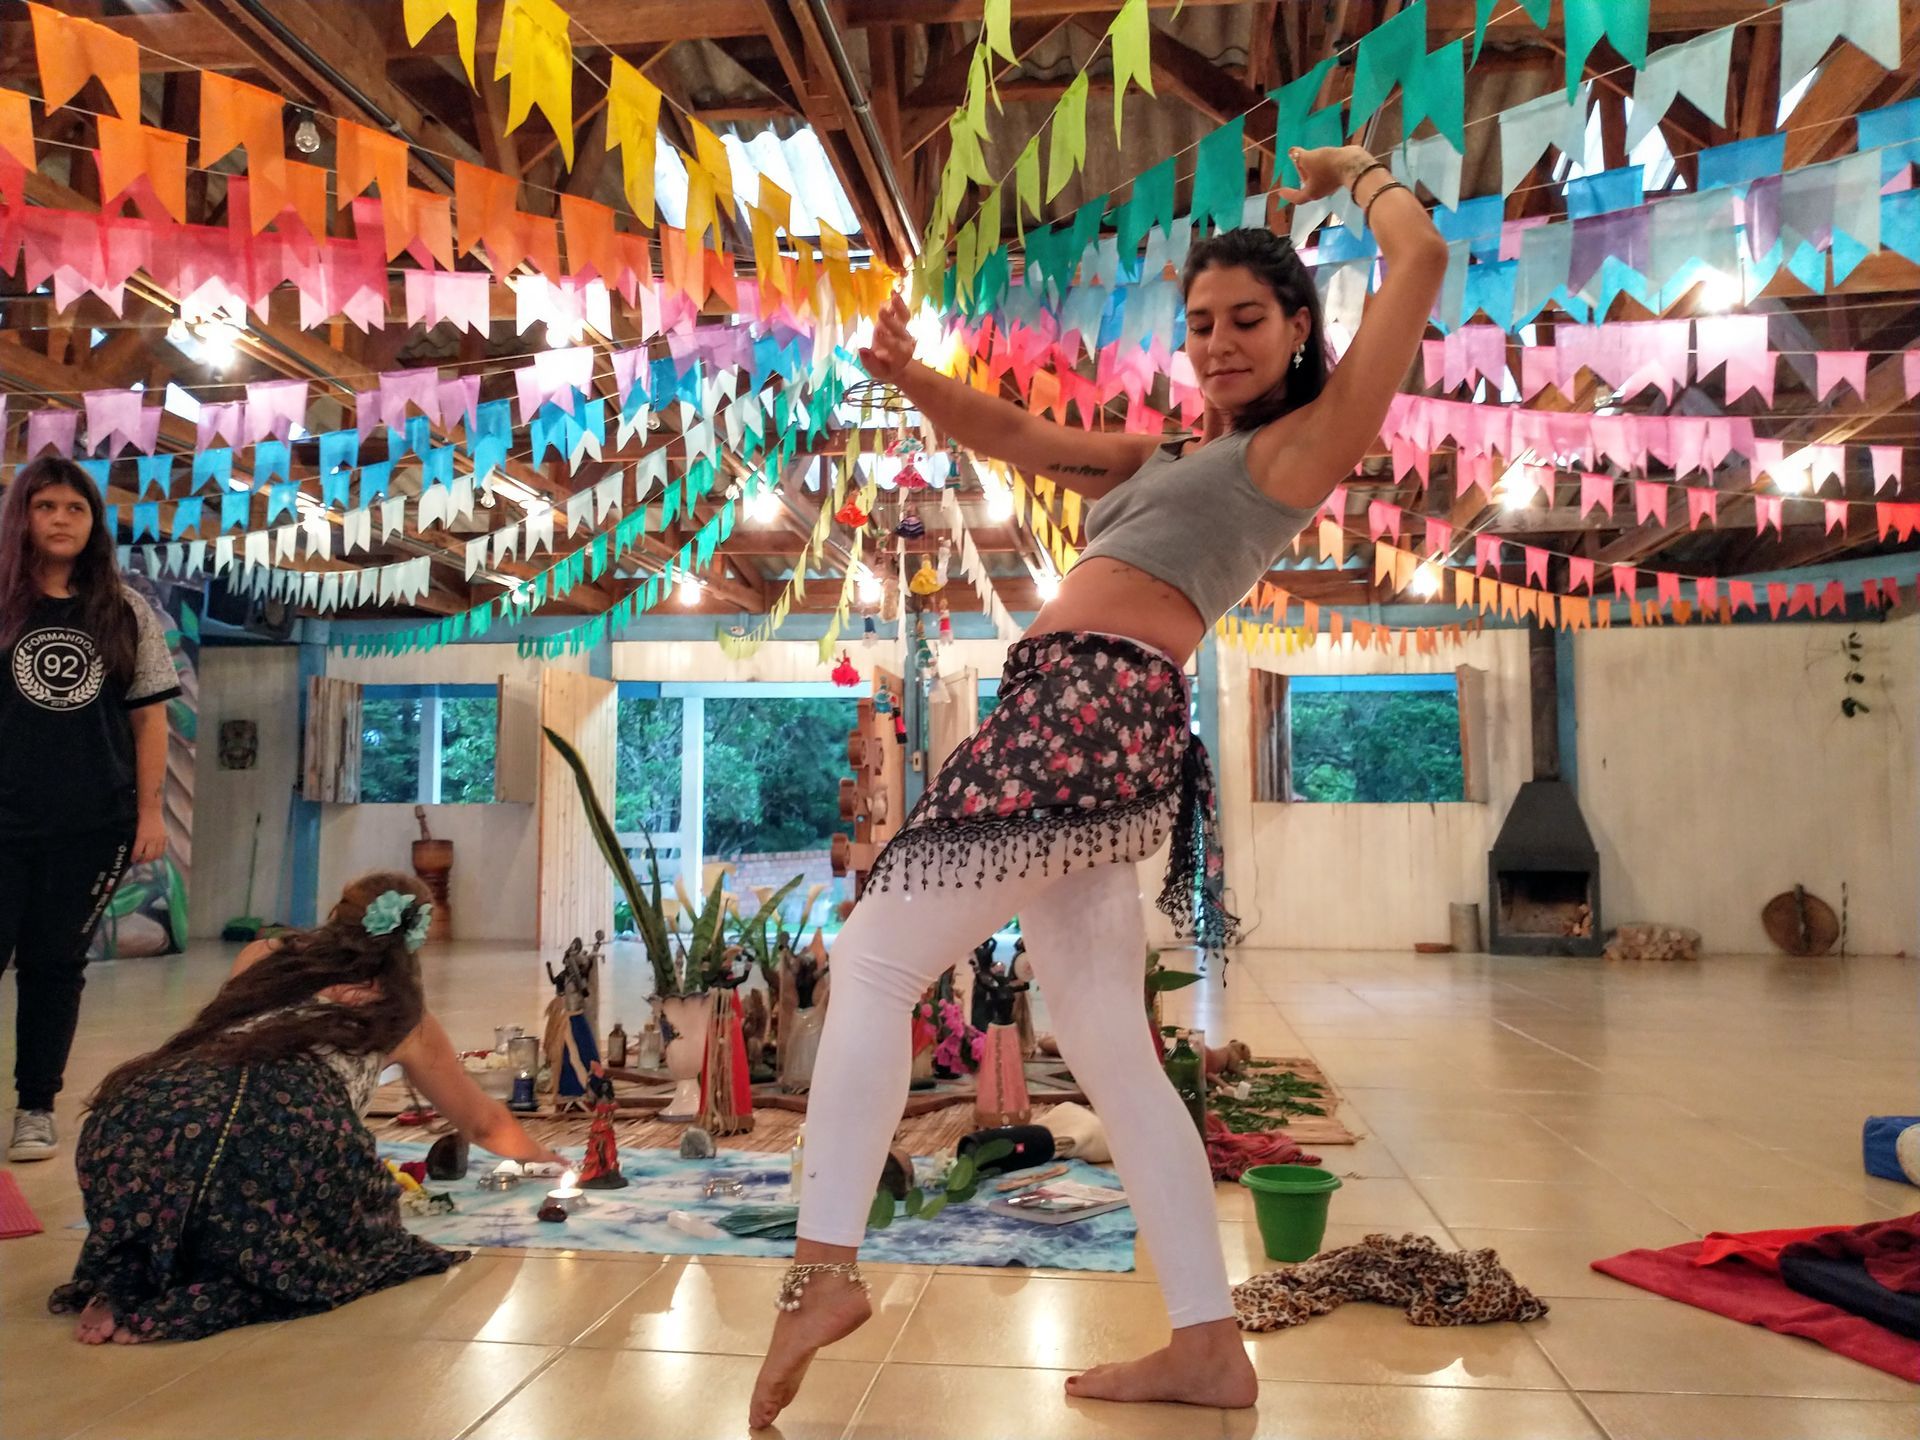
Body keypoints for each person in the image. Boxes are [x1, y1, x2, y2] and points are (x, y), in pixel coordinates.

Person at [750, 145, 1445, 1426]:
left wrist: (1359, 173)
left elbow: (1423, 257)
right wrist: (910, 379)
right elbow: (1019, 435)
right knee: (1110, 1044)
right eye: (1202, 323)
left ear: (1301, 327)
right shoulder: (1166, 453)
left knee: (875, 961)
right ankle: (1209, 1348)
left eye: (1248, 320)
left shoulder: (1300, 446)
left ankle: (822, 1270)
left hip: (1086, 716)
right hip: (1072, 717)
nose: (1219, 343)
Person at [48, 873, 564, 1343]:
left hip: (152, 1108)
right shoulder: (404, 1015)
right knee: (345, 1231)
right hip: (286, 1124)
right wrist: (546, 1159)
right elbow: (483, 1123)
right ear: (414, 942)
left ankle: (126, 1281)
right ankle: (195, 1297)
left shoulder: (264, 955)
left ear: (337, 913)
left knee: (201, 1165)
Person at [1, 456, 178, 1163]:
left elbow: (150, 720)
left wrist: (150, 814)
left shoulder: (123, 609)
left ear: (93, 523)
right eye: (46, 506)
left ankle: (35, 1108)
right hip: (3, 822)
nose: (61, 519)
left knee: (54, 965)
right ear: (23, 516)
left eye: (76, 508)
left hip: (92, 826)